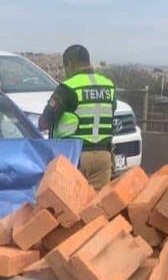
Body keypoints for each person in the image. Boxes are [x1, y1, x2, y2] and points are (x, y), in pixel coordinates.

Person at [39, 45, 117, 189]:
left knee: (71, 205)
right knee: (97, 206)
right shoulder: (108, 86)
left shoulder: (68, 88)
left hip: (75, 156)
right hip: (104, 157)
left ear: (69, 64)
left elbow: (45, 121)